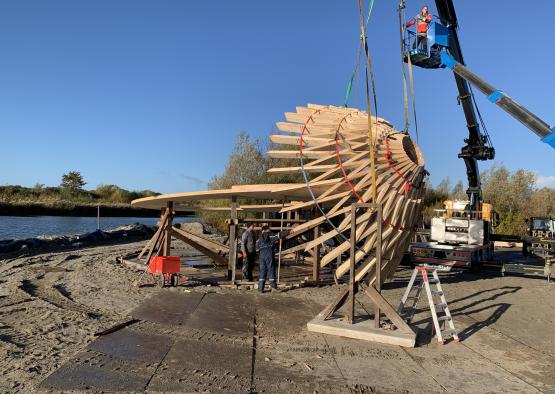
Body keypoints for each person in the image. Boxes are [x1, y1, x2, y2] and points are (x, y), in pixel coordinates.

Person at [255, 225, 288, 293]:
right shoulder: (271, 236)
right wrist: (289, 232)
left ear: (262, 230)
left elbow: (257, 249)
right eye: (269, 230)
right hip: (269, 254)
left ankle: (260, 288)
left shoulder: (258, 239)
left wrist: (261, 253)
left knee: (262, 271)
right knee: (271, 270)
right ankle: (273, 287)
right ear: (267, 230)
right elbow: (279, 235)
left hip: (261, 256)